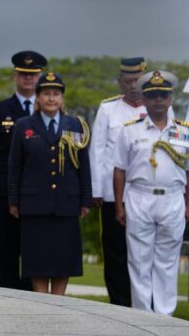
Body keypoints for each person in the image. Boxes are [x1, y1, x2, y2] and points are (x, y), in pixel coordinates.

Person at [112, 70, 189, 315]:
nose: (158, 100)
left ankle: (164, 317)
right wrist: (119, 205)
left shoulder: (184, 132)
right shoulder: (129, 130)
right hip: (139, 197)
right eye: (153, 95)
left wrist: (188, 205)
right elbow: (119, 170)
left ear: (170, 100)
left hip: (173, 198)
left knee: (167, 261)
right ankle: (142, 315)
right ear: (144, 99)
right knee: (139, 260)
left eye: (163, 95)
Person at [8, 72, 91, 295]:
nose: (51, 98)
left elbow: (83, 166)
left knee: (64, 259)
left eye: (56, 94)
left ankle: (59, 303)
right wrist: (13, 199)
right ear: (38, 97)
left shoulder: (75, 125)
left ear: (62, 98)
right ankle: (41, 303)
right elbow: (15, 166)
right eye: (46, 94)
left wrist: (86, 199)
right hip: (34, 205)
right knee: (38, 259)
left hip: (67, 204)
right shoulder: (24, 125)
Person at [0, 50, 45, 292]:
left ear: (39, 77)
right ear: (15, 76)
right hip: (4, 188)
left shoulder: (47, 111)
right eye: (23, 74)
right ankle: (6, 295)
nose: (28, 78)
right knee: (6, 246)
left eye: (33, 75)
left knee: (33, 245)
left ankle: (31, 295)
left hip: (37, 189)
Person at [89, 57, 148, 306]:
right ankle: (119, 303)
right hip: (113, 194)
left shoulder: (159, 108)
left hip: (145, 193)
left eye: (137, 81)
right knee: (115, 251)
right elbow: (97, 150)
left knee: (144, 251)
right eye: (128, 81)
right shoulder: (108, 109)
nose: (133, 86)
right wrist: (96, 190)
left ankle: (144, 302)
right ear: (119, 82)